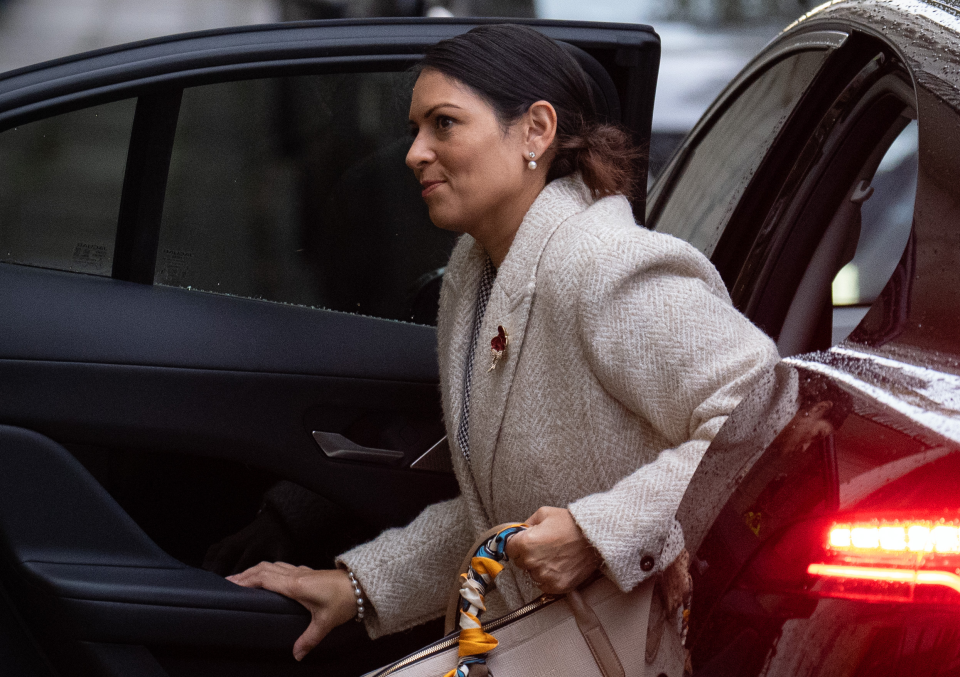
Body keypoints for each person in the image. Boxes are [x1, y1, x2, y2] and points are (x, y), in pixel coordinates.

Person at [227, 23, 779, 664]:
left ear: (535, 131)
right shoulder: (477, 275)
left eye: (444, 124)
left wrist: (600, 533)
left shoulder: (606, 266)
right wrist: (357, 587)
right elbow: (498, 514)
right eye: (415, 129)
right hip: (530, 643)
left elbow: (764, 420)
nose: (414, 152)